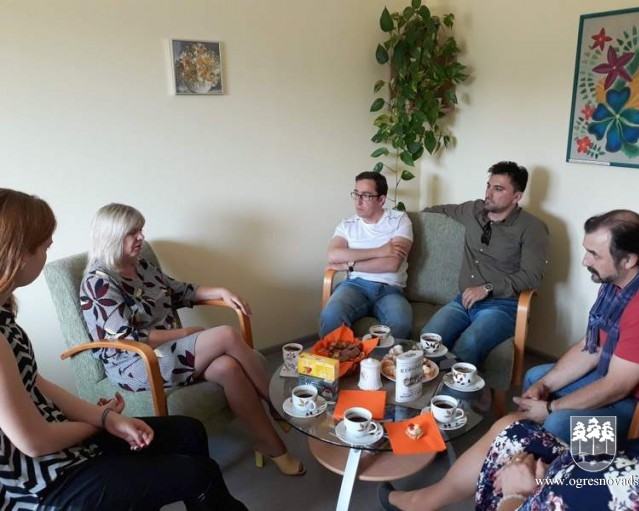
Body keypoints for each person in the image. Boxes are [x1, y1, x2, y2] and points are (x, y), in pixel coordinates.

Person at [0, 188, 248, 510]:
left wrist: (105, 416)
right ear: (18, 254)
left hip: (63, 443)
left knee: (189, 430)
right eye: (45, 246)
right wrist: (103, 422)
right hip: (46, 479)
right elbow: (34, 442)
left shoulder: (6, 316)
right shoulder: (99, 281)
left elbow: (35, 382)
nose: (49, 249)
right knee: (201, 473)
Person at [378, 285, 639, 511]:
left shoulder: (637, 484)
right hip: (608, 459)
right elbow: (592, 348)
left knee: (554, 425)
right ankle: (424, 500)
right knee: (514, 423)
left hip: (613, 423)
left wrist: (517, 494)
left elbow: (615, 387)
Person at [80, 203, 304, 476]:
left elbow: (180, 291)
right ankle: (277, 405)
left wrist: (221, 291)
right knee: (226, 334)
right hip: (136, 362)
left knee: (228, 367)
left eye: (140, 230)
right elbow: (127, 337)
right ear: (111, 236)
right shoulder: (98, 282)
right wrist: (184, 334)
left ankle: (272, 446)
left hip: (170, 350)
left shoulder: (140, 266)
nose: (141, 237)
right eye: (132, 232)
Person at [514, 210, 639, 442]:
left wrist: (550, 408)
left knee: (559, 422)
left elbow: (618, 386)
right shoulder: (617, 281)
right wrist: (545, 385)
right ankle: (526, 448)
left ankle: (569, 463)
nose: (585, 261)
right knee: (536, 378)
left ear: (629, 260)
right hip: (613, 375)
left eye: (594, 254)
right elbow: (593, 347)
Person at [421, 161, 549, 366]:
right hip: (463, 301)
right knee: (428, 338)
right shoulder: (473, 210)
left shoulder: (532, 228)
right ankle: (425, 384)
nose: (488, 193)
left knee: (468, 345)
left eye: (498, 189)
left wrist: (487, 288)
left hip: (502, 306)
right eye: (488, 186)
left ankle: (454, 386)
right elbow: (434, 210)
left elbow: (532, 277)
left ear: (516, 197)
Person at [320, 171, 413, 338]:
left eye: (366, 195)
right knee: (331, 315)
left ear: (381, 200)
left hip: (390, 290)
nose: (358, 200)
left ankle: (380, 356)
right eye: (356, 194)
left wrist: (348, 265)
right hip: (354, 286)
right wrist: (379, 251)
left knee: (401, 322)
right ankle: (338, 356)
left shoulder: (399, 220)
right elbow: (333, 255)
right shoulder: (347, 225)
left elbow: (392, 264)